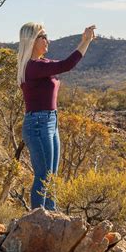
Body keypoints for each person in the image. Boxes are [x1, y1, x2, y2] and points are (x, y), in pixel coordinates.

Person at [17, 22, 96, 210]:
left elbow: (65, 65)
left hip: (50, 121)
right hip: (38, 123)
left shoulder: (42, 64)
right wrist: (85, 42)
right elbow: (67, 65)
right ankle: (38, 220)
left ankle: (52, 217)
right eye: (43, 37)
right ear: (32, 40)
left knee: (51, 175)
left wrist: (86, 41)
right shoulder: (32, 67)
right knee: (44, 175)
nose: (47, 41)